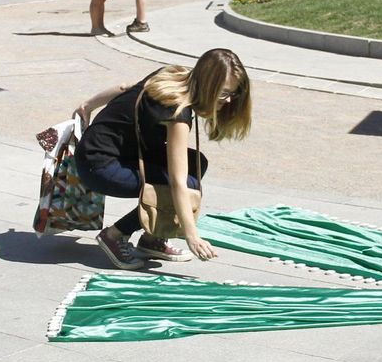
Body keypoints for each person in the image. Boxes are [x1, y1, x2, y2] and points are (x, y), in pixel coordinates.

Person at [72, 48, 252, 269]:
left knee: (197, 163)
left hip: (105, 152)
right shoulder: (177, 112)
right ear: (208, 86)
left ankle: (152, 236)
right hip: (100, 166)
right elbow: (177, 181)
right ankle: (115, 234)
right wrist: (191, 235)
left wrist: (87, 105)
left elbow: (124, 88)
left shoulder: (173, 75)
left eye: (233, 93)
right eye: (224, 93)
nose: (229, 100)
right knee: (187, 182)